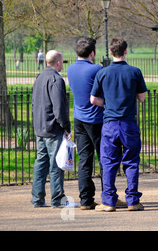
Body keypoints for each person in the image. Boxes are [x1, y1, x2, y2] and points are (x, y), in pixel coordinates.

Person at [90, 37, 147, 212]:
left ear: (111, 52)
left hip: (109, 123)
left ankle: (108, 201)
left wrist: (107, 104)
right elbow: (142, 97)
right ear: (125, 51)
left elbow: (93, 99)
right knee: (131, 162)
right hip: (128, 122)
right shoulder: (135, 72)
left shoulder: (102, 73)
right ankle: (133, 201)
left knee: (108, 162)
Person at [67, 37, 106, 210]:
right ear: (92, 53)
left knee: (84, 160)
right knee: (105, 157)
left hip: (79, 118)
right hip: (96, 119)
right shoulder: (97, 69)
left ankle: (86, 199)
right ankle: (108, 196)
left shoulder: (70, 69)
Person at [31, 50, 73, 208]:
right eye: (62, 62)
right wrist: (66, 127)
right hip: (52, 128)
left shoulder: (39, 77)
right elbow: (59, 108)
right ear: (58, 62)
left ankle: (37, 198)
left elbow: (34, 104)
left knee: (40, 163)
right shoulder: (56, 79)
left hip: (40, 127)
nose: (62, 65)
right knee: (56, 165)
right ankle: (57, 199)